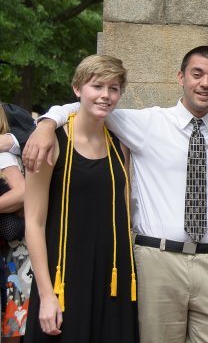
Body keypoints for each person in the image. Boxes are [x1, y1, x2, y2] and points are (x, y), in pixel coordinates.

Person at [23, 46, 208, 343]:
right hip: (157, 260)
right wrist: (47, 123)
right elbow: (83, 106)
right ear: (181, 77)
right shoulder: (146, 123)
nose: (205, 83)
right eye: (197, 74)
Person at [24, 54, 137, 342]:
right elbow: (33, 223)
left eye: (113, 88)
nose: (105, 95)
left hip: (111, 278)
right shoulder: (52, 143)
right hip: (65, 277)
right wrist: (46, 294)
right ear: (77, 89)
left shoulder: (119, 145)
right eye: (97, 86)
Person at [0, 106, 29, 342]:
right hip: (13, 251)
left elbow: (21, 193)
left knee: (14, 323)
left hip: (16, 253)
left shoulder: (3, 154)